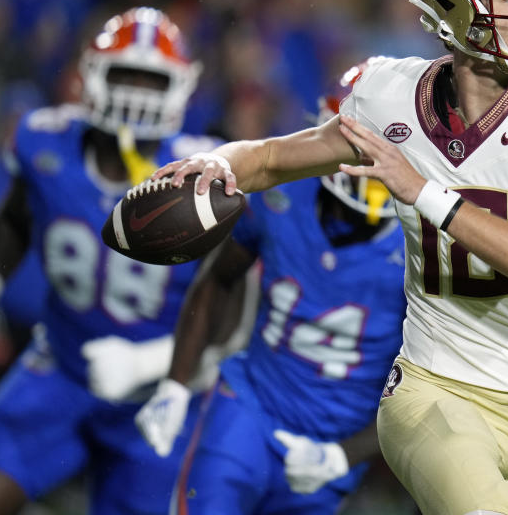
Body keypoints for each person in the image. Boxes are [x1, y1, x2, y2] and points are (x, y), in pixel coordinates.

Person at [153, 0, 508, 515]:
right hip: (434, 392)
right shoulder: (389, 94)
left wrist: (424, 191)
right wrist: (222, 162)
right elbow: (274, 158)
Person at [0, 7, 237, 515]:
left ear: (181, 87)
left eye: (152, 80)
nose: (136, 93)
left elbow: (235, 304)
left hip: (159, 392)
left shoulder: (203, 178)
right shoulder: (44, 140)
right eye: (126, 75)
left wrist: (154, 366)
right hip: (59, 363)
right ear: (90, 75)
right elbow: (15, 218)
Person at [134, 101, 408, 514]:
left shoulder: (423, 247)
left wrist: (345, 455)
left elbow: (425, 382)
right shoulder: (282, 194)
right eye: (356, 141)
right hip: (250, 407)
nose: (368, 159)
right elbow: (218, 278)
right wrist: (176, 382)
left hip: (333, 442)